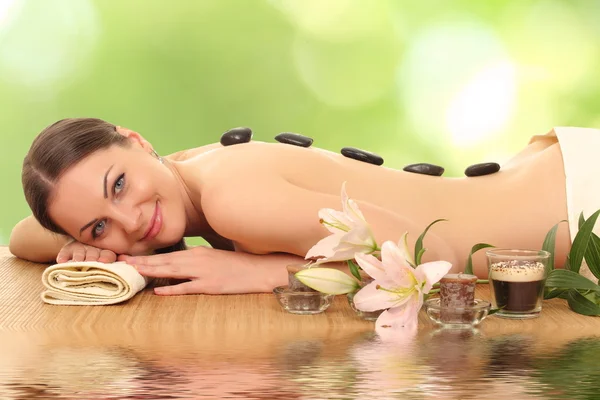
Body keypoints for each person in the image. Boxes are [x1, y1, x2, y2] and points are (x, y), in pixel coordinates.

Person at [10, 118, 583, 295]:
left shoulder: (234, 203)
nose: (132, 220)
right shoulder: (185, 168)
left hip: (581, 203)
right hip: (549, 175)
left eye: (117, 186)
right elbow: (21, 237)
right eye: (100, 225)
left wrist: (262, 272)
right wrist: (80, 242)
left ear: (135, 140)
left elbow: (438, 254)